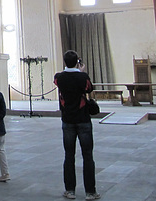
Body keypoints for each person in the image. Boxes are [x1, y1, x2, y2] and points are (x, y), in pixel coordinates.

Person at [54, 50, 101, 200]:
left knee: (69, 156)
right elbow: (89, 88)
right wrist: (81, 71)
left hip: (68, 120)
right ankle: (90, 192)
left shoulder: (59, 78)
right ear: (77, 62)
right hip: (83, 120)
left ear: (64, 62)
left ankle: (70, 190)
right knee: (88, 156)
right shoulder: (83, 77)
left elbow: (56, 80)